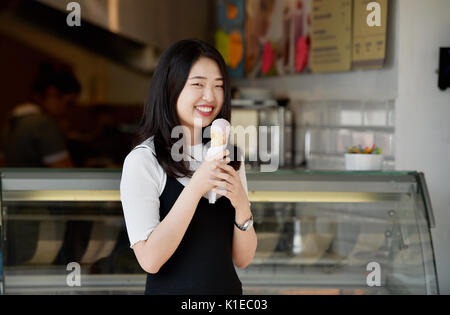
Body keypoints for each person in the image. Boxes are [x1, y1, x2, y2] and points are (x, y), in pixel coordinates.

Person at [120, 39, 257, 295]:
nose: (210, 96)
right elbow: (150, 260)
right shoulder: (143, 161)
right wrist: (196, 188)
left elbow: (243, 259)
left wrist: (241, 205)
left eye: (218, 86)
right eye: (198, 84)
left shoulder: (229, 155)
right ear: (170, 87)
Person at [1, 62, 79, 168]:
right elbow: (66, 172)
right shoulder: (43, 124)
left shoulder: (12, 121)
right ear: (52, 93)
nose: (67, 111)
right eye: (68, 104)